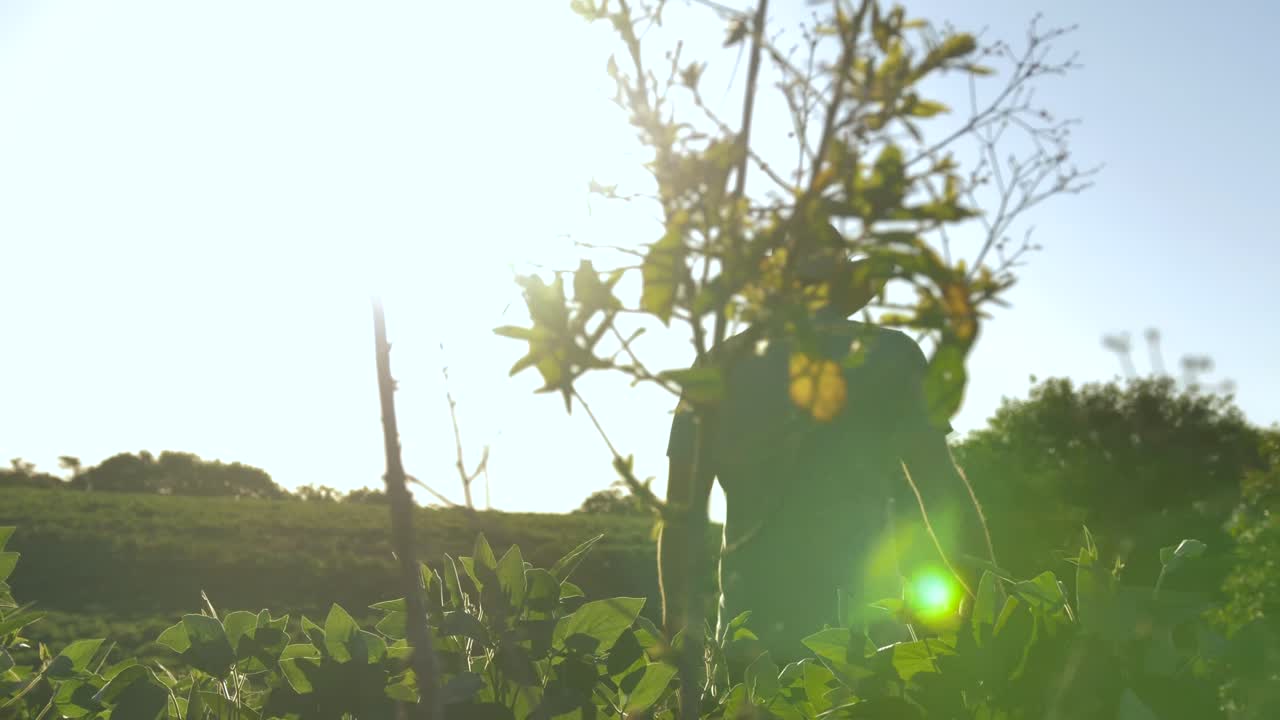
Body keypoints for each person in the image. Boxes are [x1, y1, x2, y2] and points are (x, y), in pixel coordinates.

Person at [657, 253, 988, 665]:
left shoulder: (717, 365)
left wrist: (674, 632)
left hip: (750, 647)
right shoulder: (891, 353)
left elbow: (681, 514)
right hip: (867, 645)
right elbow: (939, 485)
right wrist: (987, 598)